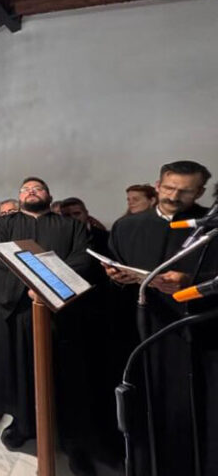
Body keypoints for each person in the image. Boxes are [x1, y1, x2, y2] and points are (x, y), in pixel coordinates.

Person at [106, 161, 218, 476]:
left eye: (185, 191)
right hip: (143, 333)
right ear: (157, 185)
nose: (174, 196)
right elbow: (114, 267)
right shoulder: (127, 226)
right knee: (145, 409)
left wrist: (191, 282)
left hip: (197, 336)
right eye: (169, 188)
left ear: (200, 192)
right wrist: (117, 277)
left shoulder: (210, 227)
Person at [0, 177, 96, 474]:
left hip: (62, 312)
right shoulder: (3, 225)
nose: (31, 192)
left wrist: (49, 288)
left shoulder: (70, 226)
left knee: (67, 374)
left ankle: (72, 439)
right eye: (26, 189)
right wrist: (28, 290)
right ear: (19, 196)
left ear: (48, 195)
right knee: (23, 369)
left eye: (38, 188)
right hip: (21, 311)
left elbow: (81, 260)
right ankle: (23, 424)